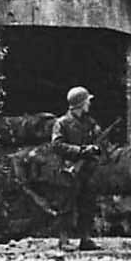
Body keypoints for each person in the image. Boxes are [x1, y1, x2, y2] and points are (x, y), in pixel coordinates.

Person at [51, 86, 102, 251]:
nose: (89, 104)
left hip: (87, 169)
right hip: (69, 169)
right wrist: (80, 151)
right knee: (66, 206)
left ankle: (85, 238)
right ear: (80, 103)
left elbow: (99, 143)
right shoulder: (62, 123)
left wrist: (96, 148)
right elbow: (57, 145)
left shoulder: (90, 123)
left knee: (87, 204)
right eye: (87, 101)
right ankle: (64, 240)